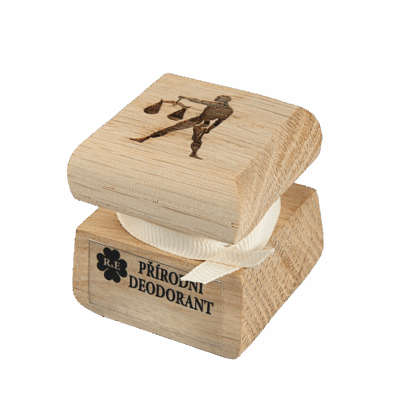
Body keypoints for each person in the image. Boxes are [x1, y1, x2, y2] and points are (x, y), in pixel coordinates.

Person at [130, 95, 233, 159]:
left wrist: (186, 98)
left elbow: (199, 101)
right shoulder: (229, 110)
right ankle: (193, 153)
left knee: (174, 130)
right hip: (202, 122)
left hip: (200, 122)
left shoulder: (216, 104)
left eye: (218, 98)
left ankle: (193, 154)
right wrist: (209, 129)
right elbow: (218, 121)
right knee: (193, 137)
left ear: (222, 100)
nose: (215, 99)